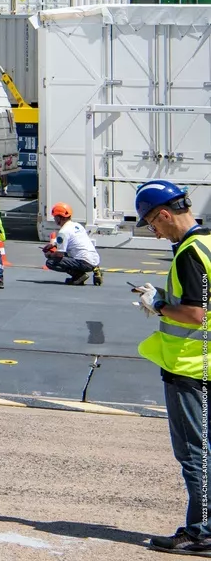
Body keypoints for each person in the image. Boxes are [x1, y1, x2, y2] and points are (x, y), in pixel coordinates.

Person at [133, 181, 211, 554]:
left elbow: (195, 314)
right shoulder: (207, 243)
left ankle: (201, 532)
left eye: (153, 224)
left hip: (189, 367)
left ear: (165, 214)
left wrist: (159, 305)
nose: (155, 232)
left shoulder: (188, 254)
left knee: (194, 452)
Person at [41, 203, 103, 286]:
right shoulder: (77, 226)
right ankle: (96, 269)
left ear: (59, 218)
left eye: (55, 217)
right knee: (70, 251)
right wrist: (53, 244)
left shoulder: (63, 232)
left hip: (84, 262)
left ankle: (79, 275)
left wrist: (49, 255)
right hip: (94, 259)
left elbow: (59, 254)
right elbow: (73, 239)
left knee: (50, 262)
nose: (54, 219)